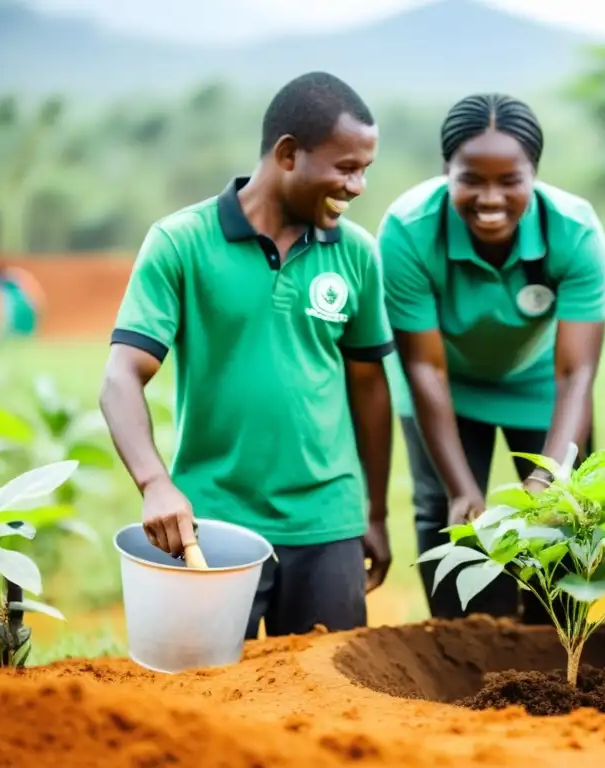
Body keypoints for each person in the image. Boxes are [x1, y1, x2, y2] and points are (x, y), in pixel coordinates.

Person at [99, 72, 395, 639]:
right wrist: (155, 483)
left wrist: (373, 514)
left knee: (328, 706)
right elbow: (120, 378)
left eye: (365, 170)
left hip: (327, 524)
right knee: (205, 697)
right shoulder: (180, 242)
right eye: (345, 167)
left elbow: (369, 388)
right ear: (288, 154)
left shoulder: (358, 253)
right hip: (212, 522)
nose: (358, 186)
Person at [377, 93, 605, 622]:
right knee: (448, 517)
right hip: (445, 387)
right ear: (445, 171)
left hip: (541, 384)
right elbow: (423, 367)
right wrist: (462, 490)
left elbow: (577, 374)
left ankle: (559, 660)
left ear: (535, 174)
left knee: (567, 520)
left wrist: (546, 482)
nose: (490, 198)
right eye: (470, 179)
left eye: (510, 180)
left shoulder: (573, 232)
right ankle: (473, 659)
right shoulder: (409, 230)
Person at [0, 262, 44, 343]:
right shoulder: (16, 277)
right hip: (28, 310)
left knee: (5, 331)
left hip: (15, 310)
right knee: (23, 336)